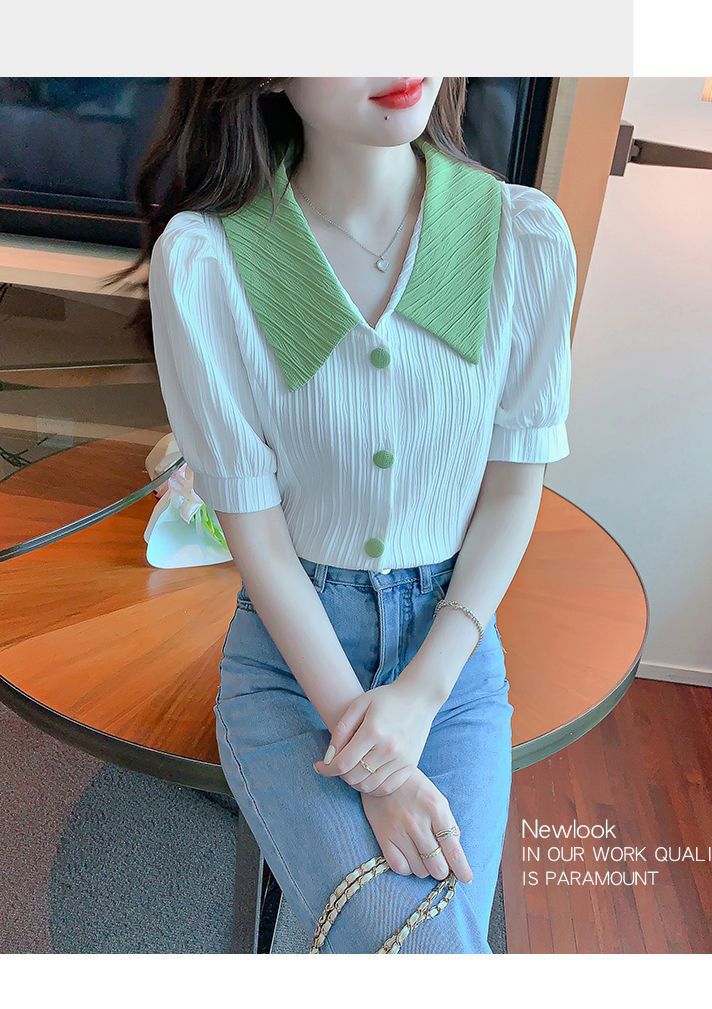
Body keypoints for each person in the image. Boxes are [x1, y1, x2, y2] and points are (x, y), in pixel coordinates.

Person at [127, 77, 577, 953]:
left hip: (453, 664)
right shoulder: (211, 261)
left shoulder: (520, 238)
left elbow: (513, 488)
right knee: (427, 947)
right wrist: (378, 762)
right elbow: (258, 541)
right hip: (295, 669)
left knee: (437, 939)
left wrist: (421, 695)